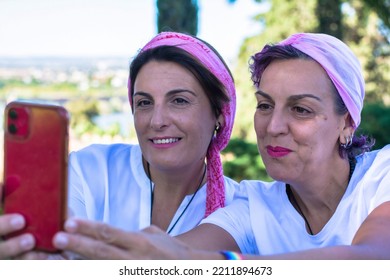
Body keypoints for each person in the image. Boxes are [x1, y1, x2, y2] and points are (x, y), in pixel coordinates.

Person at [49, 32, 389, 259]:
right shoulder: (253, 205)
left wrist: (219, 264)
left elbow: (373, 257)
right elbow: (174, 256)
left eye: (301, 109)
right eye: (265, 105)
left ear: (347, 123)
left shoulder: (381, 177)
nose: (273, 126)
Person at [0, 31, 238, 259]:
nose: (157, 121)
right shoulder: (90, 169)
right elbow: (62, 241)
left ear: (219, 113)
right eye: (144, 102)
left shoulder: (239, 205)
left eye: (179, 100)